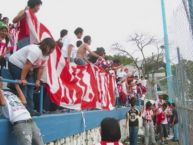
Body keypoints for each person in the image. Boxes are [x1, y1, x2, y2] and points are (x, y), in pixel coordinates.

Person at [8, 38, 55, 114]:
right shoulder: (35, 50)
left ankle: (30, 110)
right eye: (52, 48)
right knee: (23, 86)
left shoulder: (46, 55)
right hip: (16, 64)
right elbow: (27, 64)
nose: (52, 51)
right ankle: (24, 110)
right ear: (46, 46)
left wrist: (38, 80)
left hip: (28, 68)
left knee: (31, 86)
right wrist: (22, 78)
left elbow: (41, 68)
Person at [0, 79, 44, 145]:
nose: (1, 82)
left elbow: (24, 101)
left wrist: (17, 87)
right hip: (20, 122)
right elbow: (3, 103)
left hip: (30, 120)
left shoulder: (9, 92)